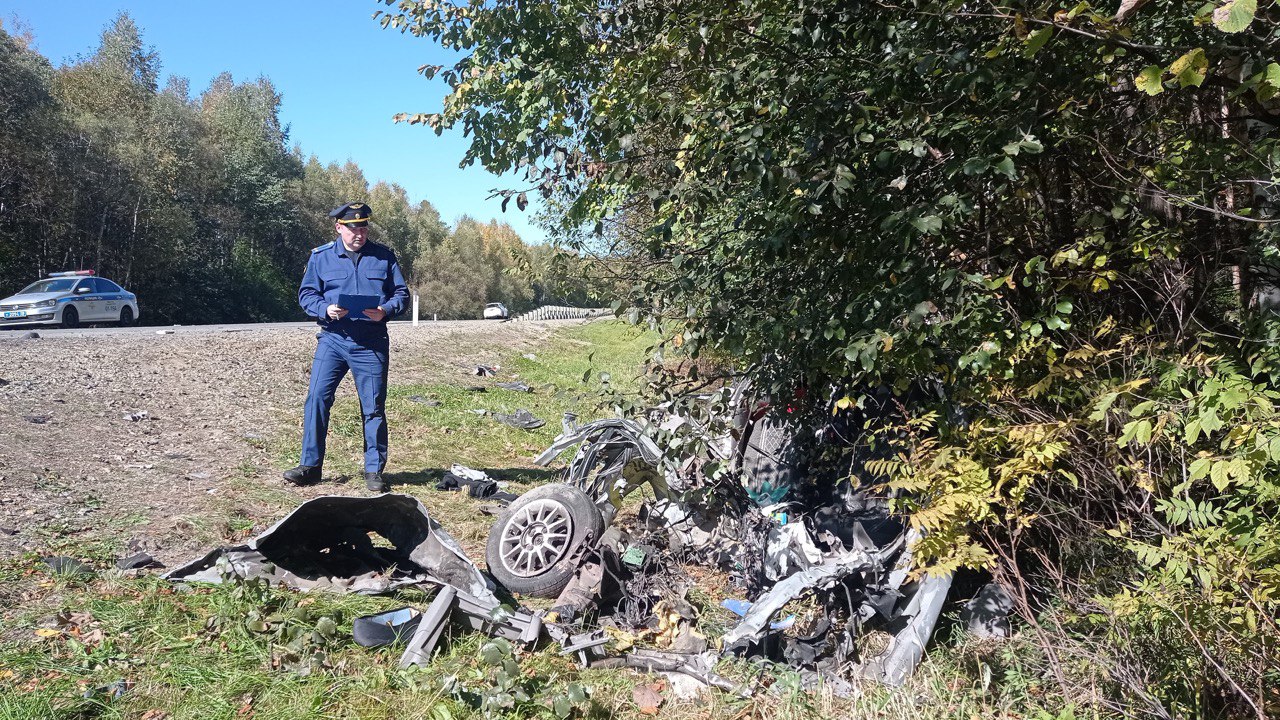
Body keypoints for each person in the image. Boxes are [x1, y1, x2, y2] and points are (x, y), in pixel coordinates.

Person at [283, 202, 410, 492]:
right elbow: (306, 294)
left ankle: (374, 470)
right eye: (353, 228)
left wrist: (386, 310)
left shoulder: (384, 257)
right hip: (333, 339)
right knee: (317, 398)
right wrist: (325, 309)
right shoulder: (321, 257)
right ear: (339, 228)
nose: (359, 233)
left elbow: (402, 294)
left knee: (373, 407)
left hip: (371, 342)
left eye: (363, 227)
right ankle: (310, 467)